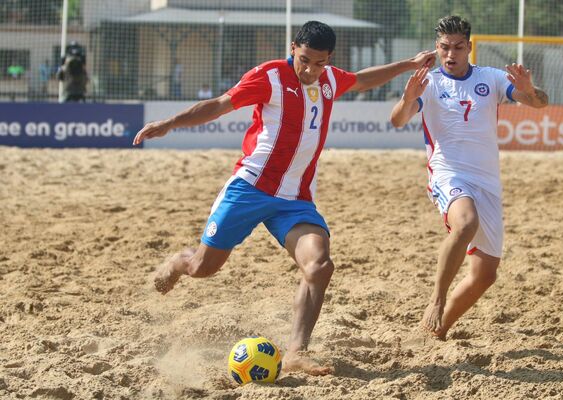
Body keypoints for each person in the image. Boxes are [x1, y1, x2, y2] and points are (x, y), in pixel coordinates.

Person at [133, 21, 435, 375]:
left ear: (329, 59)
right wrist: (171, 122)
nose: (310, 70)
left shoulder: (329, 80)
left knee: (319, 266)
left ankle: (295, 352)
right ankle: (178, 262)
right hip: (249, 189)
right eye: (304, 60)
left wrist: (409, 65)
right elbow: (218, 105)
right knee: (204, 268)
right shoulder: (271, 75)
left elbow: (363, 78)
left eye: (319, 63)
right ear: (293, 48)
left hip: (295, 200)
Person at [390, 16, 548, 341]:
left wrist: (530, 90)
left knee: (485, 274)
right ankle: (436, 298)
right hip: (448, 173)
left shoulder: (490, 78)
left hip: (487, 180)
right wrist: (407, 99)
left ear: (469, 47)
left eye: (458, 47)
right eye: (445, 47)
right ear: (437, 47)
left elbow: (538, 103)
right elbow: (397, 120)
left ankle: (438, 331)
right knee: (465, 224)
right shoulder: (430, 83)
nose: (451, 54)